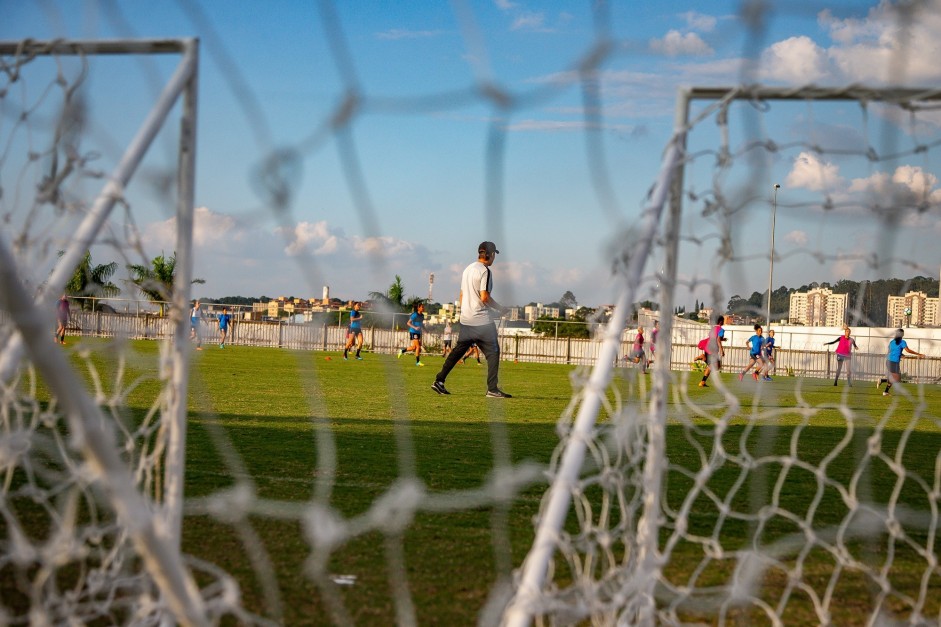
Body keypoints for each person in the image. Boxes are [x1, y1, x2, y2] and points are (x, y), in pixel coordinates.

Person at [432, 241, 512, 398]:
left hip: (467, 319)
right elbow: (484, 297)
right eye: (494, 254)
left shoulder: (468, 269)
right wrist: (500, 309)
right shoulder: (485, 271)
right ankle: (492, 389)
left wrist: (465, 312)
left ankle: (439, 381)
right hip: (482, 321)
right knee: (493, 353)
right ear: (490, 254)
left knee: (457, 352)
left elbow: (462, 294)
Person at [879, 328, 924, 396]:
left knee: (895, 379)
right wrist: (919, 354)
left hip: (889, 361)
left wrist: (901, 354)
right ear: (902, 335)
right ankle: (882, 381)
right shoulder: (902, 342)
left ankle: (885, 392)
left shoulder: (892, 342)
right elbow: (908, 350)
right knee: (897, 379)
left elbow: (890, 351)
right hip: (894, 362)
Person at [694, 315, 726, 387]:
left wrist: (722, 339)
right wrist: (721, 350)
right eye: (723, 321)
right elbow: (717, 339)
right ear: (721, 321)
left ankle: (703, 382)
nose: (723, 322)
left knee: (715, 366)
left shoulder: (713, 328)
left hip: (707, 347)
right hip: (712, 349)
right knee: (715, 366)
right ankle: (703, 358)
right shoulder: (721, 329)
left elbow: (713, 337)